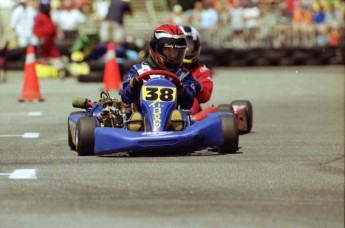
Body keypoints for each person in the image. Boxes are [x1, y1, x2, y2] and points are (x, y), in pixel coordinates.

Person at [121, 24, 197, 111]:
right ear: (156, 48)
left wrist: (181, 89)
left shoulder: (184, 75)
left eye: (176, 51)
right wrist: (134, 86)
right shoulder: (139, 71)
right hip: (142, 120)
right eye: (168, 50)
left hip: (173, 121)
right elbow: (125, 98)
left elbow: (189, 103)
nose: (173, 55)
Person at [180, 25, 213, 115]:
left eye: (189, 45)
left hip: (190, 108)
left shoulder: (203, 71)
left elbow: (205, 97)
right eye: (183, 45)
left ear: (196, 47)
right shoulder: (168, 68)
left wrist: (197, 85)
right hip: (166, 101)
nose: (186, 49)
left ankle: (185, 118)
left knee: (190, 98)